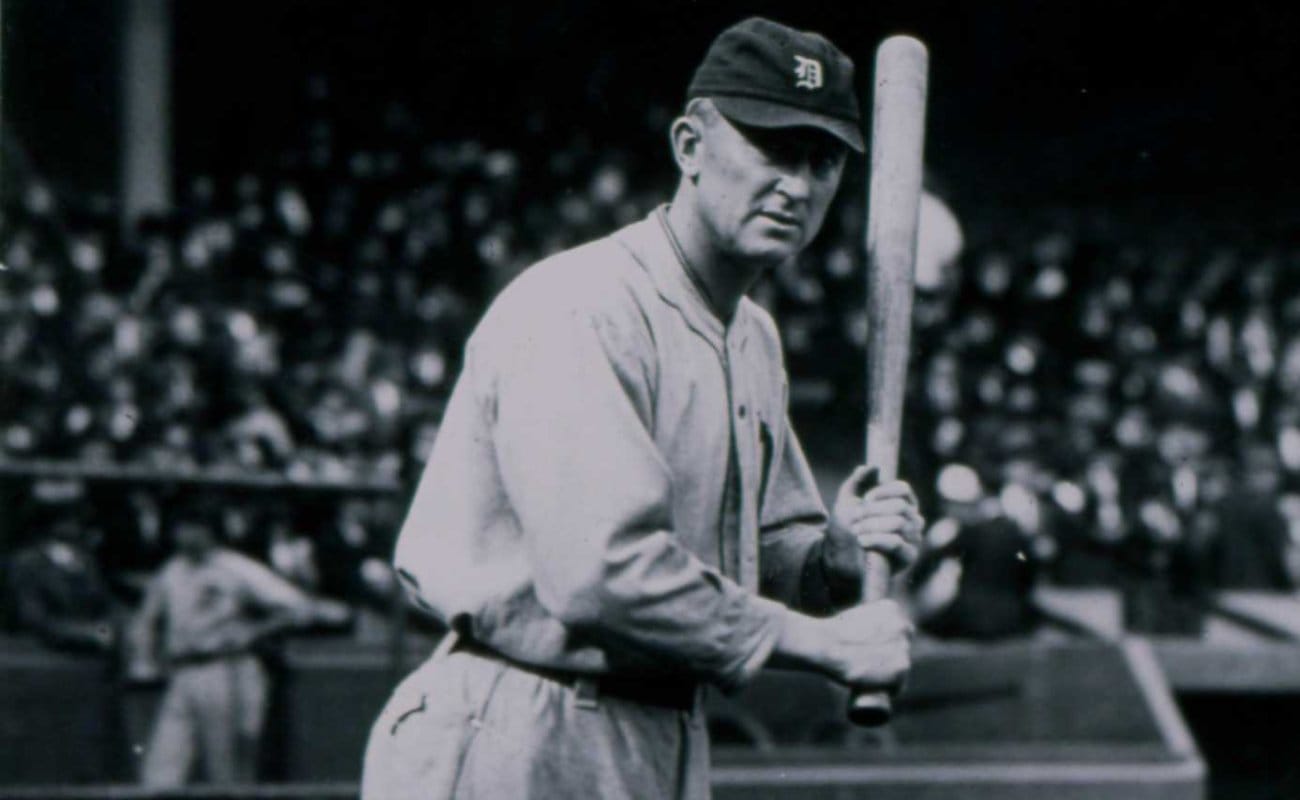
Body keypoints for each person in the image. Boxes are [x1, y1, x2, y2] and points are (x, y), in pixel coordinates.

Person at [362, 17, 925, 800]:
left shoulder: (752, 336)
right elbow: (602, 574)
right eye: (771, 146)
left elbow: (766, 554)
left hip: (660, 730)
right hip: (519, 717)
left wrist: (838, 553)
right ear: (690, 146)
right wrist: (828, 646)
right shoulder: (582, 305)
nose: (796, 184)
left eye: (821, 159)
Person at [128, 499, 350, 787]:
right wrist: (146, 656)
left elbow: (298, 607)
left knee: (228, 772)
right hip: (182, 671)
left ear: (209, 530)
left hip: (227, 669)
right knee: (160, 772)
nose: (182, 534)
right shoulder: (172, 569)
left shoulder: (235, 567)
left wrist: (255, 630)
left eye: (191, 527)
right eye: (179, 527)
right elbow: (145, 619)